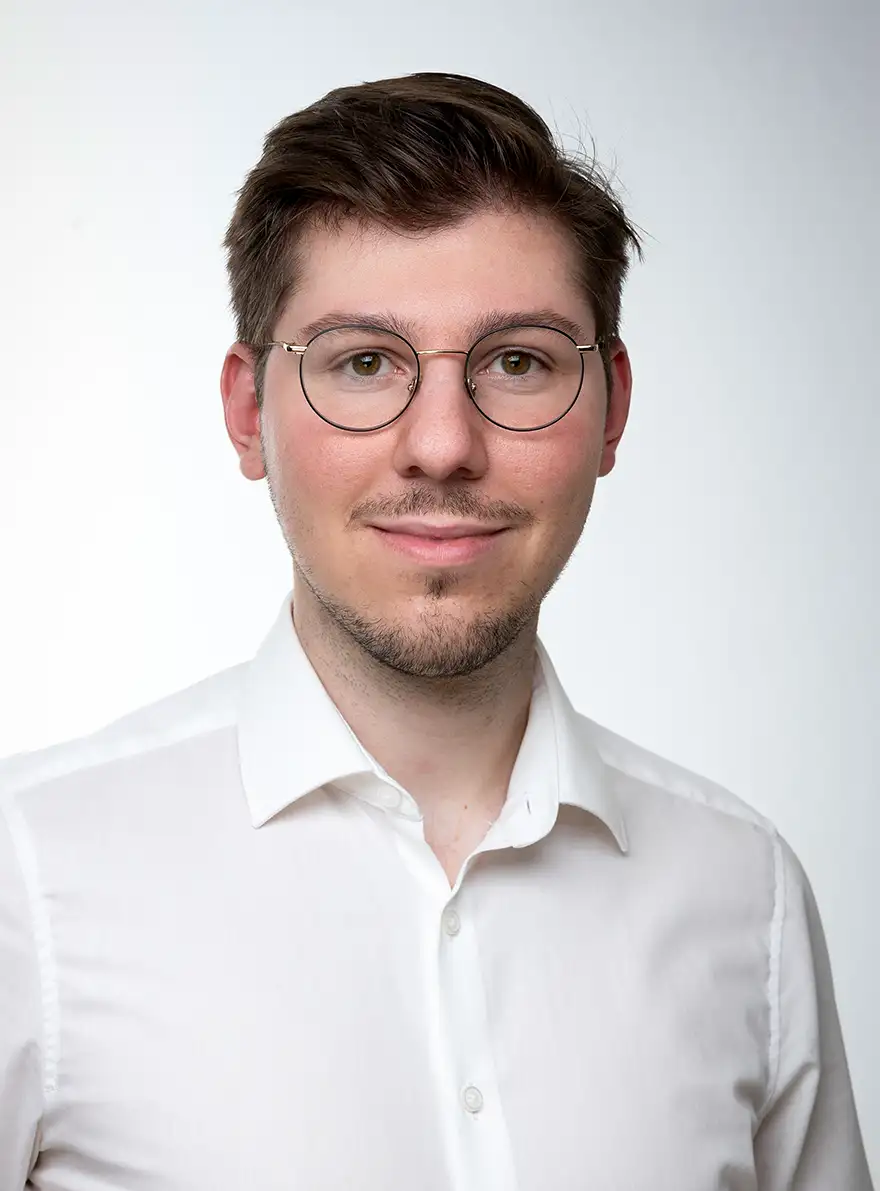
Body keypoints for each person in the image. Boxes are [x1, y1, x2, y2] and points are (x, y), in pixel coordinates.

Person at [0, 72, 871, 1191]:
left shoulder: (745, 896)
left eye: (518, 361)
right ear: (248, 413)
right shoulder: (29, 880)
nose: (445, 446)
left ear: (611, 406)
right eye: (364, 362)